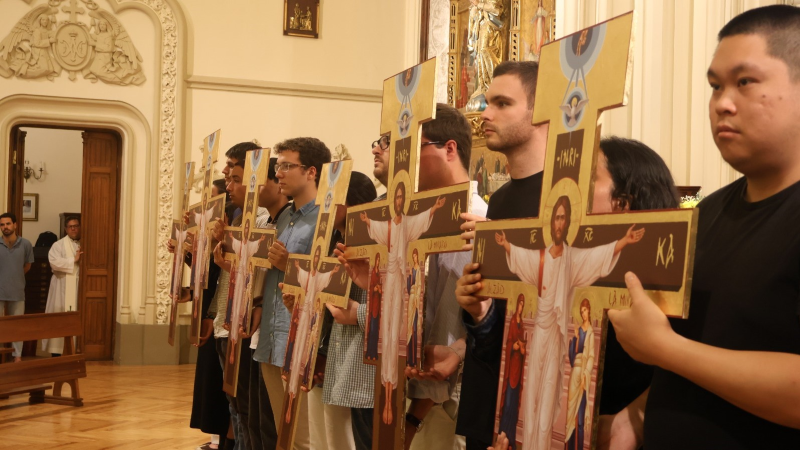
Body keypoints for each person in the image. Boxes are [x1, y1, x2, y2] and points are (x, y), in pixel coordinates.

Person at [602, 6, 800, 450]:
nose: (722, 103)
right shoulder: (703, 215)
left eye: (744, 81)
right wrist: (635, 416)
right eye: (715, 86)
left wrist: (664, 349)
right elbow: (698, 352)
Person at [459, 135, 684, 449]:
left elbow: (672, 381)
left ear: (624, 202)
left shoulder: (661, 285)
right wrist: (482, 315)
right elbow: (512, 356)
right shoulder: (556, 258)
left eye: (588, 178)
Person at [454, 60, 548, 450]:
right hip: (492, 388)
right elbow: (501, 313)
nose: (485, 114)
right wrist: (477, 308)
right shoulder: (503, 198)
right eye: (487, 102)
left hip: (539, 400)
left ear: (540, 110)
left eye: (502, 104)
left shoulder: (566, 196)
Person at [253, 137, 331, 450]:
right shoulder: (284, 216)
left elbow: (331, 281)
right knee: (284, 434)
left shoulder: (325, 218)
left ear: (311, 171)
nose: (279, 173)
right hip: (272, 337)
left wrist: (290, 266)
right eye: (278, 166)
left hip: (302, 339)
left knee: (305, 438)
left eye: (287, 166)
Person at [42, 215, 82, 356]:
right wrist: (73, 260)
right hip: (61, 286)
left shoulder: (85, 243)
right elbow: (54, 263)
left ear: (80, 227)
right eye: (70, 227)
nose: (73, 229)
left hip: (78, 287)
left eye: (76, 226)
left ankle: (75, 350)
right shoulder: (58, 245)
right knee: (58, 318)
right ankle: (56, 352)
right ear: (66, 229)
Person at [0, 212, 34, 363]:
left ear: (15, 225)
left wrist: (15, 276)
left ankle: (17, 356)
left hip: (18, 290)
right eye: (2, 225)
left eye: (8, 224)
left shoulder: (25, 244)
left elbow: (27, 266)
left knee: (17, 325)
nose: (5, 227)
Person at [497, 294, 526, 446]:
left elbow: (523, 347)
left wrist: (522, 350)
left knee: (513, 405)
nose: (521, 306)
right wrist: (513, 347)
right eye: (519, 303)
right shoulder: (513, 321)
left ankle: (511, 438)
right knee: (508, 403)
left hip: (518, 369)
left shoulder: (523, 325)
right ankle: (503, 433)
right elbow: (508, 343)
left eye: (523, 304)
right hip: (511, 370)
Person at [565, 299, 593, 450]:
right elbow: (571, 359)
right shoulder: (579, 331)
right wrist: (575, 338)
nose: (583, 314)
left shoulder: (590, 333)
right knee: (571, 416)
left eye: (585, 310)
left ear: (589, 310)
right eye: (581, 311)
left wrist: (585, 376)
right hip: (574, 376)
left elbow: (591, 357)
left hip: (582, 377)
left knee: (580, 419)